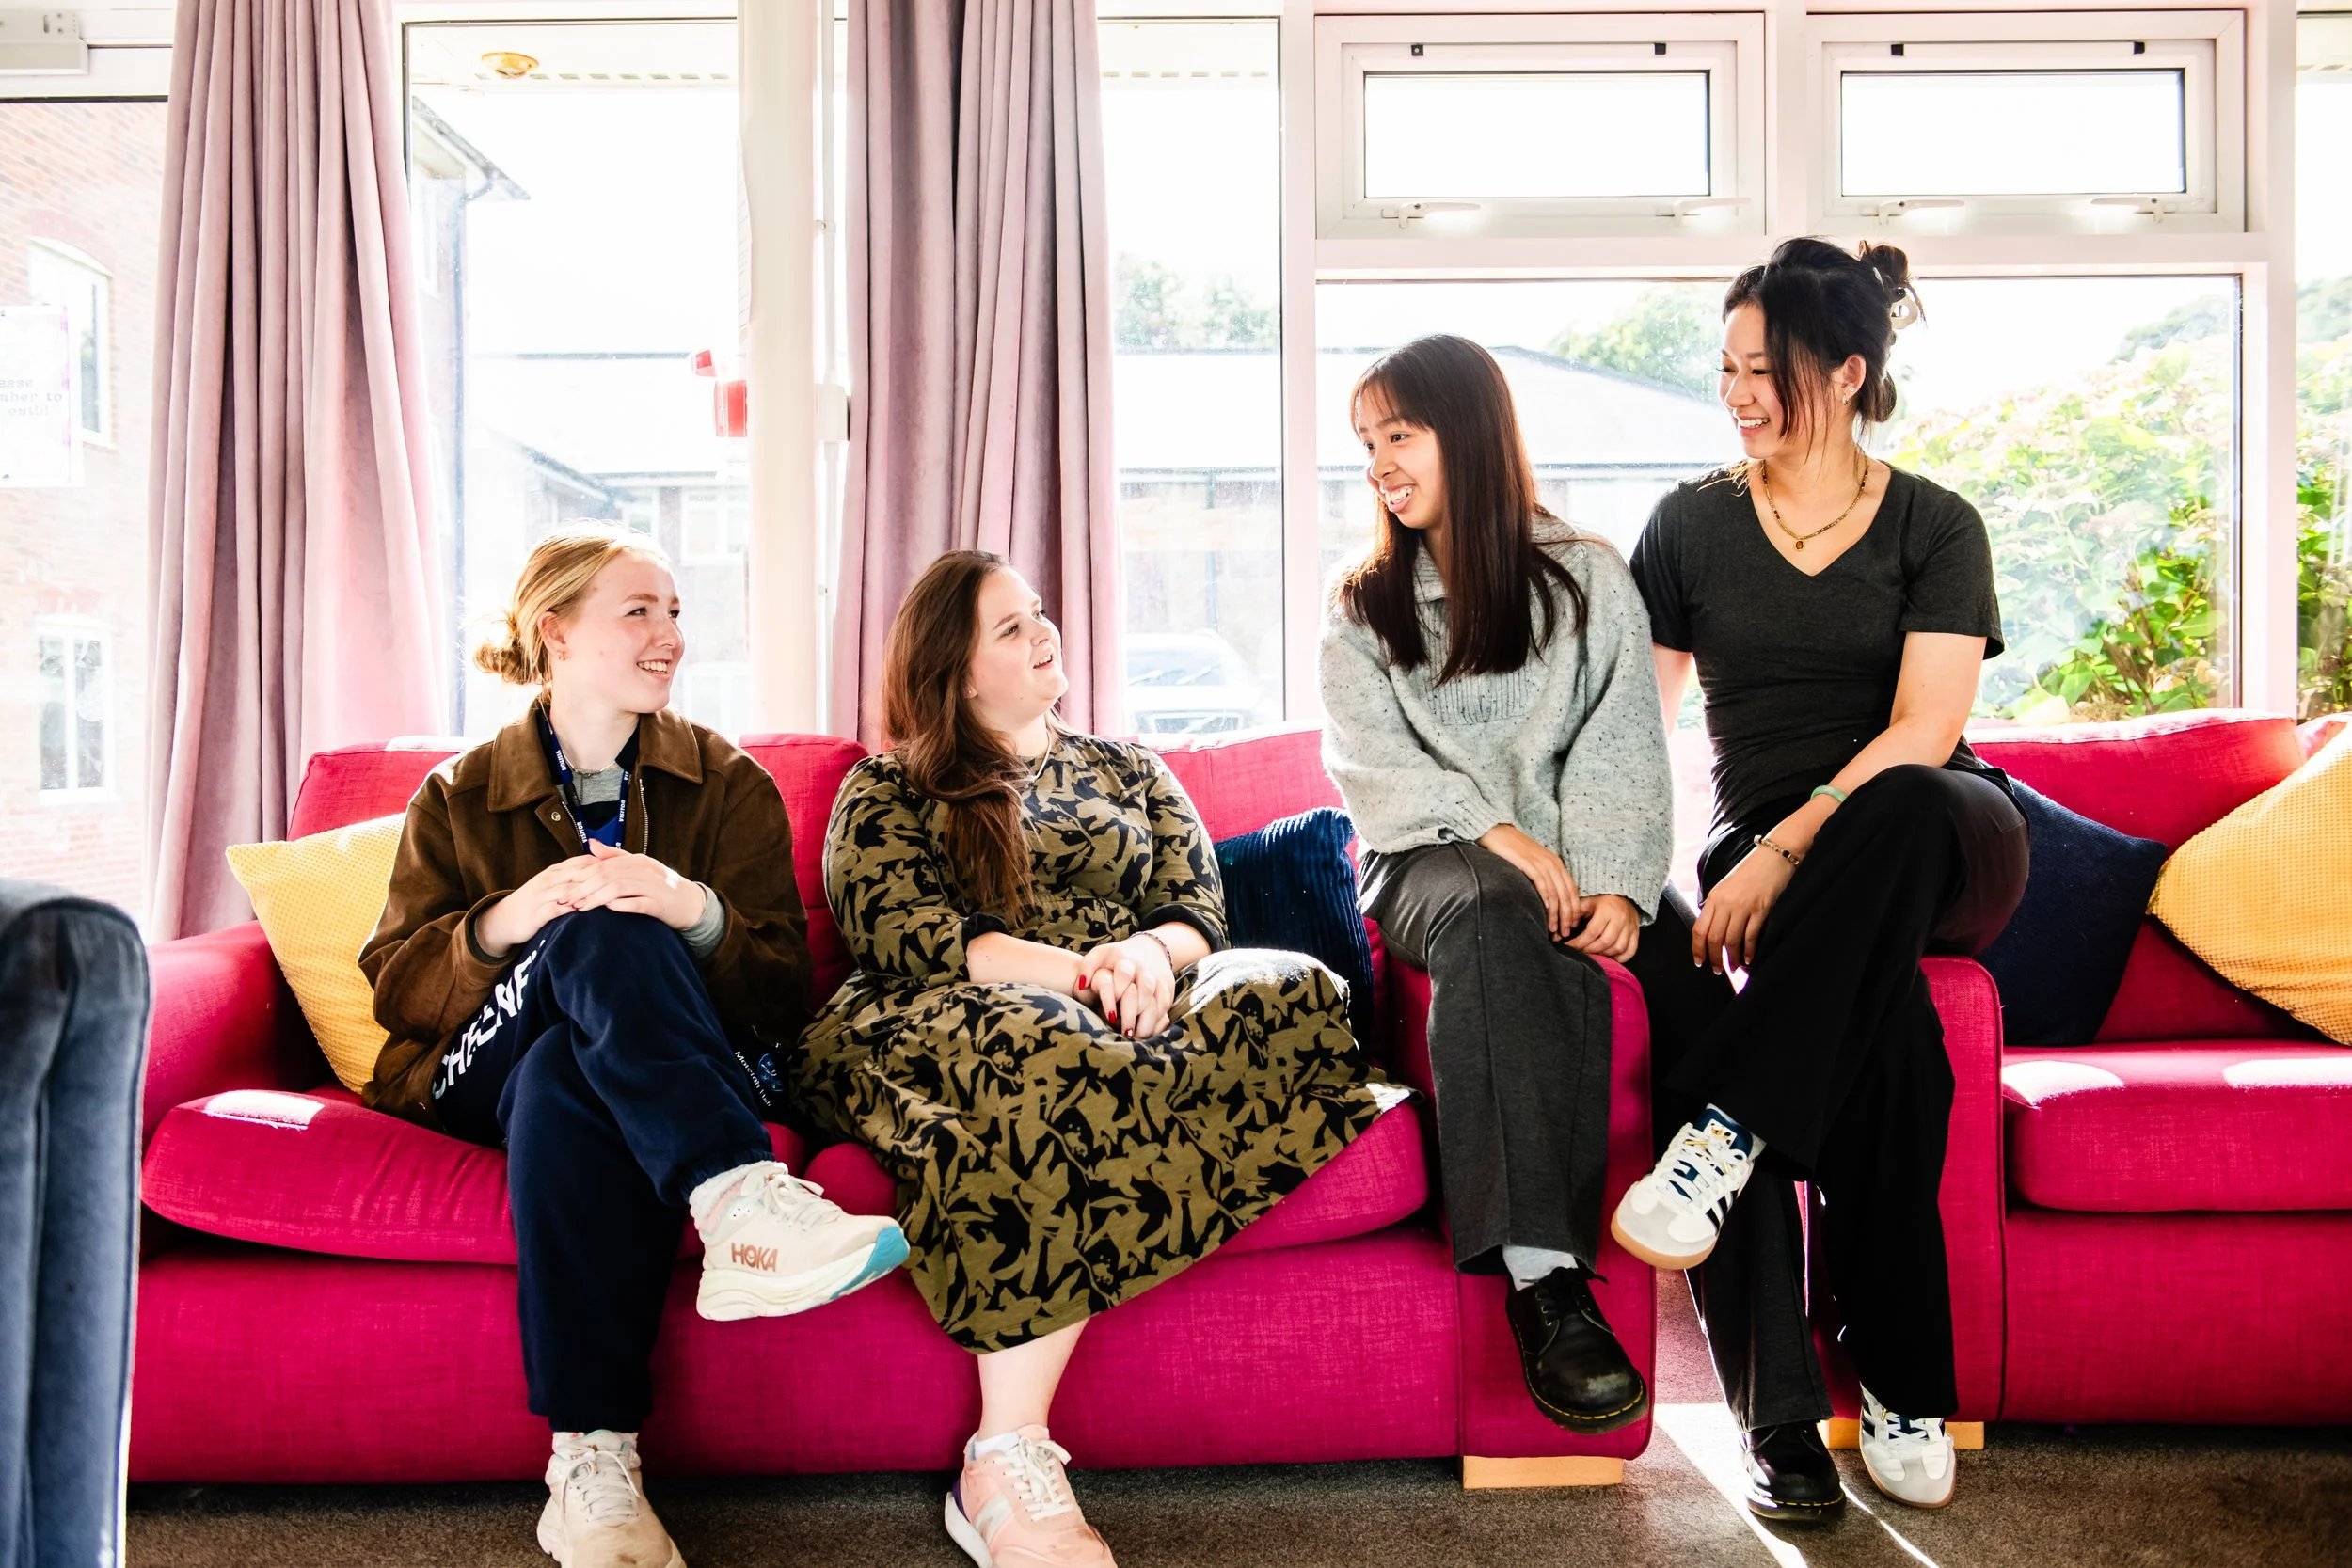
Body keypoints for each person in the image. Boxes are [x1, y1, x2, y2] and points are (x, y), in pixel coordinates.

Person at [789, 550, 1394, 1568]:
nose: (1044, 634)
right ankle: (1003, 1453)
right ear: (956, 669)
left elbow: (1198, 907)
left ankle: (1114, 1088)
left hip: (1133, 994)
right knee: (1049, 1050)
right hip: (950, 1008)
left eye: (1039, 614)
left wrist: (1149, 957)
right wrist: (1085, 974)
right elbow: (905, 935)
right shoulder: (887, 787)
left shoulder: (1130, 770)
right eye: (1011, 628)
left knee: (1297, 992)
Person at [361, 526, 906, 1568]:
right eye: (640, 611)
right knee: (595, 921)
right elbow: (398, 991)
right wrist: (512, 916)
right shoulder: (457, 796)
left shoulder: (728, 782)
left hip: (633, 1069)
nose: (669, 636)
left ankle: (593, 1463)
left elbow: (780, 996)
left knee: (573, 1072)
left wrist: (693, 907)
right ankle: (739, 1194)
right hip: (482, 1061)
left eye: (675, 613)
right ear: (554, 630)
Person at [1615, 239, 2029, 1517]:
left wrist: (1788, 843)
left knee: (1898, 798)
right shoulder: (1688, 524)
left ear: (1848, 373)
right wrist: (1642, 870)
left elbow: (1923, 728)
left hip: (1942, 832)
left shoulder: (1935, 522)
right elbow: (1643, 727)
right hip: (1777, 866)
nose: (1738, 392)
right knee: (1891, 1035)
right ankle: (1904, 1381)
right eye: (1727, 367)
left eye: (1768, 370)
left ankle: (1730, 1127)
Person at [1317, 333, 1672, 1437]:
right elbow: (1373, 764)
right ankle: (1544, 1286)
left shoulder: (1588, 577)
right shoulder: (1364, 602)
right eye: (1365, 441)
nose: (1376, 460)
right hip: (1425, 857)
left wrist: (1617, 882)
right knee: (1488, 900)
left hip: (1564, 863)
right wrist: (1500, 833)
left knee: (1671, 960)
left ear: (1467, 434)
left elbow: (1622, 742)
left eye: (1398, 434)